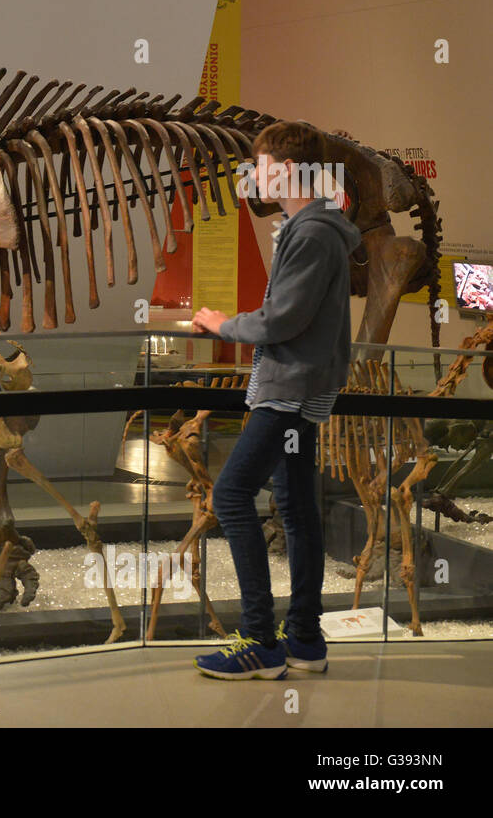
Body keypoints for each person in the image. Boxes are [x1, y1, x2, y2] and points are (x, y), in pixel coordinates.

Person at [189, 120, 360, 680]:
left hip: (289, 387)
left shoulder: (311, 234)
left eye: (257, 165)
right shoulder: (310, 229)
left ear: (284, 170)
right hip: (300, 385)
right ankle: (305, 638)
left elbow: (285, 317)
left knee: (232, 495)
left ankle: (261, 640)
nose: (251, 176)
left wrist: (222, 324)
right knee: (295, 507)